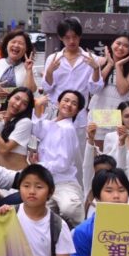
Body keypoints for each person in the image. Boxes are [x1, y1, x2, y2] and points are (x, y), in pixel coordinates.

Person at [83, 100, 129, 206]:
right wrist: (91, 140)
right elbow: (107, 169)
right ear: (120, 118)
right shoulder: (111, 138)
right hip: (112, 192)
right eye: (127, 116)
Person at [31, 91, 86, 227]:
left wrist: (39, 165)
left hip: (64, 183)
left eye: (74, 104)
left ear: (77, 110)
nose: (68, 105)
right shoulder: (50, 124)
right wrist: (38, 107)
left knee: (70, 209)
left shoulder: (67, 129)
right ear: (58, 103)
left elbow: (63, 164)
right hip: (46, 182)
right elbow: (36, 129)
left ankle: (80, 235)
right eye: (66, 100)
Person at [40, 18, 102, 140]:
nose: (72, 41)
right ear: (61, 38)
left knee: (78, 154)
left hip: (79, 116)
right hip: (57, 114)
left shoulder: (90, 59)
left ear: (80, 36)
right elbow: (47, 88)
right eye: (67, 38)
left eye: (75, 37)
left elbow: (95, 90)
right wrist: (49, 72)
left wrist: (95, 69)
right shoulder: (53, 59)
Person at [88, 33, 129, 149]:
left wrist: (118, 66)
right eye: (118, 43)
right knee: (97, 151)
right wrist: (110, 64)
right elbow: (94, 88)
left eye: (126, 46)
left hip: (117, 112)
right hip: (99, 109)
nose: (120, 48)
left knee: (115, 151)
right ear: (111, 44)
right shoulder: (101, 62)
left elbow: (122, 90)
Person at [0, 30, 37, 114]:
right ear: (7, 44)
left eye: (21, 43)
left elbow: (30, 92)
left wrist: (28, 71)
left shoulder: (30, 68)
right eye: (13, 42)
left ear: (26, 48)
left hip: (17, 114)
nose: (16, 45)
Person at [0, 84, 34, 171]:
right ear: (9, 97)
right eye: (16, 98)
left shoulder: (25, 122)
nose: (18, 104)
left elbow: (4, 149)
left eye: (24, 103)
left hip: (20, 175)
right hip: (1, 177)